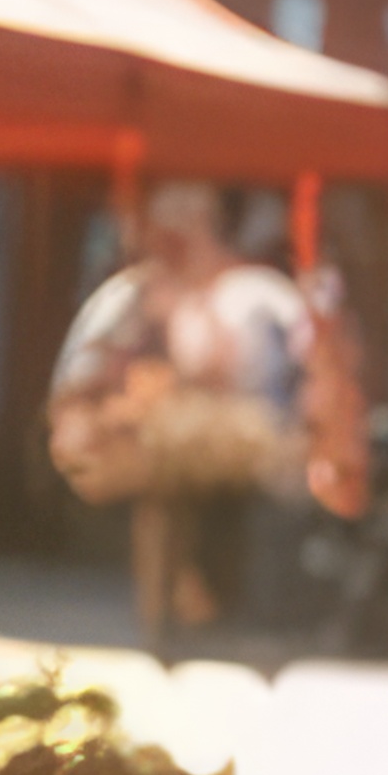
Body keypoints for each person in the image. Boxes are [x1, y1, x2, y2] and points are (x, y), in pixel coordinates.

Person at [51, 180, 298, 649]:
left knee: (168, 460)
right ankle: (169, 605)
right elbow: (88, 376)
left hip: (249, 438)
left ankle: (181, 601)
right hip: (165, 441)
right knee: (158, 473)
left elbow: (228, 371)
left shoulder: (251, 292)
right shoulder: (135, 294)